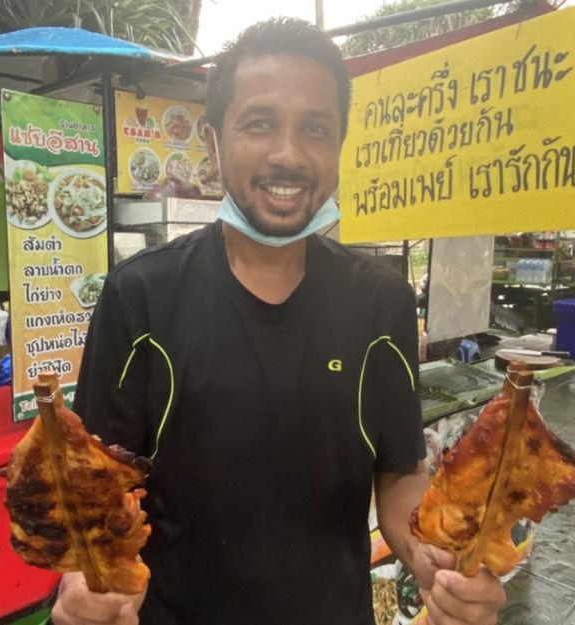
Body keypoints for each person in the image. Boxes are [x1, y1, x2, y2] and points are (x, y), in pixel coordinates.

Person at [52, 19, 505, 625]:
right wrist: (82, 597)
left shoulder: (383, 300)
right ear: (213, 142)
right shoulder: (140, 298)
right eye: (259, 123)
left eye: (315, 128)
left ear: (338, 144)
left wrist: (433, 557)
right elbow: (94, 491)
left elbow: (399, 472)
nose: (288, 154)